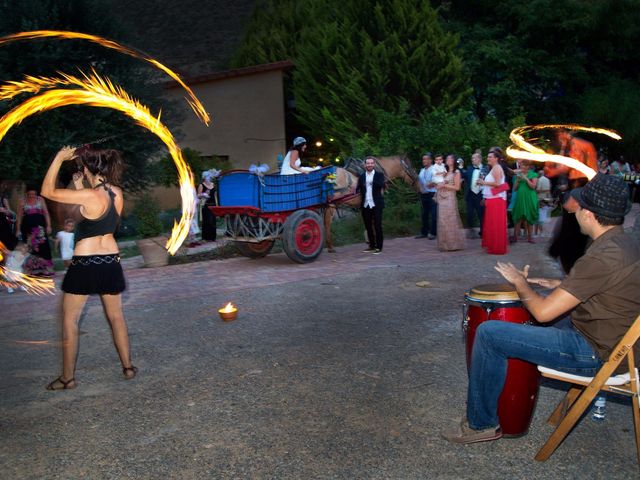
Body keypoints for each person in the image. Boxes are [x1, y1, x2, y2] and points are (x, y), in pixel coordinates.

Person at [442, 173, 639, 444]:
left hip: (598, 353)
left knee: (490, 334)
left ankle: (481, 424)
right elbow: (608, 285)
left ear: (589, 213)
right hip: (616, 341)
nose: (576, 210)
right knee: (526, 323)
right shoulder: (623, 243)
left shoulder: (601, 256)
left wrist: (521, 284)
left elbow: (543, 312)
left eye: (580, 205)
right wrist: (560, 283)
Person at [41, 146, 137, 390]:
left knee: (69, 320)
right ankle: (127, 367)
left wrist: (59, 158)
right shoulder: (116, 192)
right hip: (111, 261)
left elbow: (47, 191)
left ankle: (67, 379)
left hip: (85, 263)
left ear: (88, 168)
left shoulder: (89, 196)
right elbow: (96, 215)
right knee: (116, 317)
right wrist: (80, 185)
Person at [546, 128, 598, 273]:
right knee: (570, 224)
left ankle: (573, 263)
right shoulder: (568, 148)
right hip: (575, 188)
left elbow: (591, 171)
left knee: (575, 226)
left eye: (560, 134)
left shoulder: (584, 146)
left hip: (582, 187)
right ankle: (569, 261)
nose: (559, 137)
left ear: (568, 133)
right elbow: (554, 171)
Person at [15, 186, 54, 276]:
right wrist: (18, 230)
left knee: (43, 248)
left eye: (34, 194)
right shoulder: (22, 201)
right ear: (26, 194)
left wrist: (48, 226)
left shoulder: (40, 200)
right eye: (30, 194)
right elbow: (19, 217)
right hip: (28, 229)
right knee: (30, 248)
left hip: (40, 229)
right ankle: (31, 270)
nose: (32, 196)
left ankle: (45, 269)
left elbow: (46, 213)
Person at [477, 147, 508, 255]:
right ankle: (492, 245)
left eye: (490, 157)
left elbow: (498, 184)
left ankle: (497, 247)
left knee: (495, 224)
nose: (488, 158)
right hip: (492, 199)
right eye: (488, 157)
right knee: (491, 224)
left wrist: (483, 182)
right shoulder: (494, 168)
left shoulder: (497, 168)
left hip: (497, 200)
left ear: (496, 158)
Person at [436, 155, 466, 251]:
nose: (448, 160)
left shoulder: (456, 172)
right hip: (442, 198)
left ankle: (453, 244)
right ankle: (444, 244)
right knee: (442, 221)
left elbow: (457, 187)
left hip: (449, 198)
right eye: (447, 158)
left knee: (450, 220)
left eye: (450, 158)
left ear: (454, 161)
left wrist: (444, 185)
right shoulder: (445, 172)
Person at [357, 156, 385, 254]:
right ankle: (372, 245)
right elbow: (358, 188)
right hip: (366, 204)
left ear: (374, 164)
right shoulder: (361, 176)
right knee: (368, 226)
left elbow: (382, 185)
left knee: (377, 226)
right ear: (365, 165)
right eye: (367, 163)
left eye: (371, 163)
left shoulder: (379, 175)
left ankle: (379, 247)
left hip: (376, 204)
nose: (369, 165)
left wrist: (371, 182)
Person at [510, 160, 538, 243]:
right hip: (520, 198)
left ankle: (530, 237)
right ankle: (515, 237)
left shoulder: (533, 174)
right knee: (518, 217)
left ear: (528, 167)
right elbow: (514, 189)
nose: (523, 168)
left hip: (530, 198)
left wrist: (526, 179)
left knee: (529, 217)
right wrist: (518, 180)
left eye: (525, 166)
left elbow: (533, 187)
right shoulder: (518, 175)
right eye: (521, 166)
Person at [415, 153, 437, 239]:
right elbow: (419, 181)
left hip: (432, 195)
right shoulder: (422, 170)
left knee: (434, 214)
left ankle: (433, 233)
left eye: (426, 159)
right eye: (423, 159)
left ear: (430, 160)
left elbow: (437, 181)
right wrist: (420, 188)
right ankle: (424, 232)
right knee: (424, 214)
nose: (424, 161)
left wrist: (431, 184)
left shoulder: (434, 169)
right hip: (423, 195)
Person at [463, 152, 484, 239]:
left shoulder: (486, 168)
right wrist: (460, 168)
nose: (472, 160)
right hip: (471, 194)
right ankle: (471, 230)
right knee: (469, 213)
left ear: (479, 159)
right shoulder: (469, 168)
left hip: (480, 194)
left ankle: (483, 232)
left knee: (481, 214)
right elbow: (464, 175)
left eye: (474, 158)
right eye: (472, 158)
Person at [197, 170, 217, 242]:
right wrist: (204, 194)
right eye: (207, 176)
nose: (209, 177)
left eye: (209, 176)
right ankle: (205, 237)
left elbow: (215, 194)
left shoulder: (213, 184)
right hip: (206, 205)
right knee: (207, 221)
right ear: (204, 177)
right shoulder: (201, 185)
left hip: (213, 205)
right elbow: (198, 195)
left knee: (213, 221)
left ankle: (213, 237)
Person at [534, 167, 552, 238]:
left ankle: (539, 232)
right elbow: (549, 189)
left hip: (540, 199)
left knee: (539, 217)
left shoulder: (539, 180)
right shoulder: (547, 180)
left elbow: (538, 190)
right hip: (546, 199)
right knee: (545, 217)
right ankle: (543, 232)